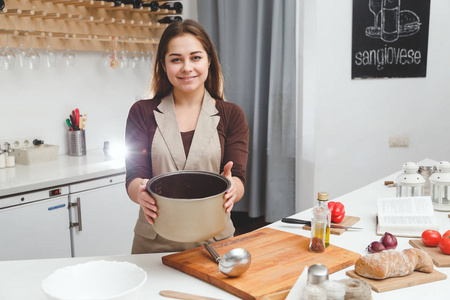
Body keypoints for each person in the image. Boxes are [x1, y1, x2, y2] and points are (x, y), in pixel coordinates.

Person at [125, 19, 249, 253]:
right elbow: (134, 175)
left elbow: (239, 178)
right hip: (154, 241)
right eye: (176, 60)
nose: (186, 68)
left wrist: (232, 187)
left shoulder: (231, 115)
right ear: (163, 65)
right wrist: (139, 192)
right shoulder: (141, 112)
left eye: (195, 57)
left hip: (214, 240)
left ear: (209, 60)